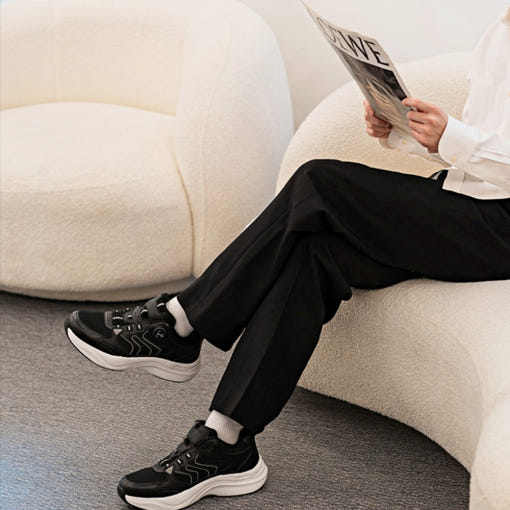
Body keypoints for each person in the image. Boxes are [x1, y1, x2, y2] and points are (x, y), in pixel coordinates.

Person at [64, 7, 510, 510]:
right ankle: (227, 441)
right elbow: (486, 155)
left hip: (501, 229)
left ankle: (179, 323)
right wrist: (406, 134)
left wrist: (452, 136)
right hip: (464, 202)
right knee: (313, 251)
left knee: (319, 182)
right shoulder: (499, 29)